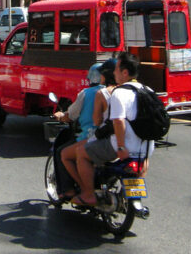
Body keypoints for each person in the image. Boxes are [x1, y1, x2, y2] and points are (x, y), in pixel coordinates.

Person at [71, 51, 153, 207]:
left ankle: (88, 195)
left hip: (122, 147)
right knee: (143, 161)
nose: (114, 72)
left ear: (125, 72)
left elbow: (118, 122)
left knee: (81, 153)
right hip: (146, 148)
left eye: (117, 69)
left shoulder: (119, 93)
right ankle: (132, 191)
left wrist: (121, 147)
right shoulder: (147, 90)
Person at [54, 58, 117, 200]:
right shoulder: (119, 92)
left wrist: (61, 116)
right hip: (119, 138)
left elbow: (72, 115)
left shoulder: (88, 93)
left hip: (94, 137)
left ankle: (79, 190)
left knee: (63, 153)